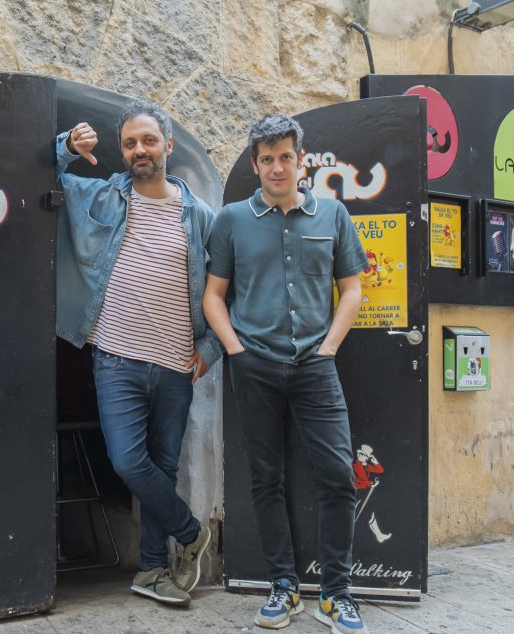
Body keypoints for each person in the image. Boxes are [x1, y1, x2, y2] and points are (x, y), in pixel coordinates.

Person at [203, 114, 370, 633]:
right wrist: (235, 350)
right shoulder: (232, 219)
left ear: (302, 160)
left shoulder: (333, 214)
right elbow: (213, 295)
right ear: (255, 165)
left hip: (315, 367)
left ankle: (336, 594)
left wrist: (328, 349)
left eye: (286, 156)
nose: (277, 167)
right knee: (266, 479)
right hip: (254, 365)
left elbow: (354, 289)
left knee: (338, 477)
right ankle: (283, 586)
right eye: (267, 158)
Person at [55, 100, 221, 606]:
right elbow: (44, 175)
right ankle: (191, 533)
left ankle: (152, 568)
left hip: (176, 365)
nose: (138, 150)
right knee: (129, 462)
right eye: (129, 143)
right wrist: (66, 146)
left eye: (148, 140)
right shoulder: (103, 198)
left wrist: (211, 347)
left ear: (168, 146)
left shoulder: (201, 217)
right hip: (116, 359)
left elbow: (223, 287)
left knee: (163, 469)